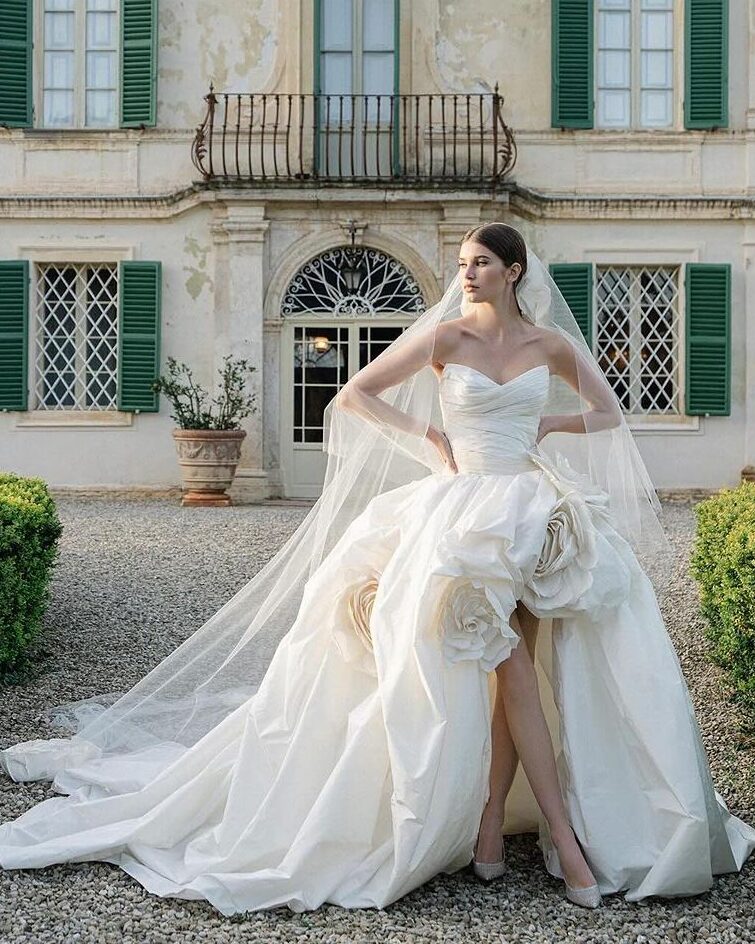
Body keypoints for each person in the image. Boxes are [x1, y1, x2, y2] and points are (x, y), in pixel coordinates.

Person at [0, 223, 753, 916]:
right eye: (461, 264)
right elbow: (356, 393)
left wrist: (550, 422)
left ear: (513, 271)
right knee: (510, 665)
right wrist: (427, 430)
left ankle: (495, 826)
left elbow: (608, 412)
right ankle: (557, 838)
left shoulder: (549, 344)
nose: (467, 274)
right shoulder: (446, 337)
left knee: (518, 666)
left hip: (532, 509)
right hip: (460, 516)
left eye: (480, 263)